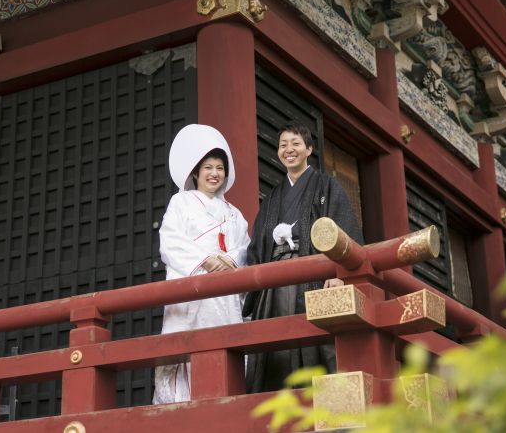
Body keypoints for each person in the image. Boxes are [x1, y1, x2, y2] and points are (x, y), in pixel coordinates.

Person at [245, 121, 364, 394]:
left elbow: (345, 234)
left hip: (314, 278)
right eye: (283, 145)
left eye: (295, 143)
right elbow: (257, 248)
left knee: (317, 347)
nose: (289, 149)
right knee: (274, 352)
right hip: (275, 285)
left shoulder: (327, 186)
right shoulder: (272, 198)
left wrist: (339, 274)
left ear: (308, 149)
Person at [153, 124, 251, 404]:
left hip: (226, 292)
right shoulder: (180, 202)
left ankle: (227, 403)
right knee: (186, 350)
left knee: (226, 346)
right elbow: (170, 241)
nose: (214, 173)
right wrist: (205, 260)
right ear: (195, 172)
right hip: (192, 286)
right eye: (208, 167)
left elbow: (245, 246)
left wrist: (230, 259)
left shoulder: (234, 213)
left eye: (220, 168)